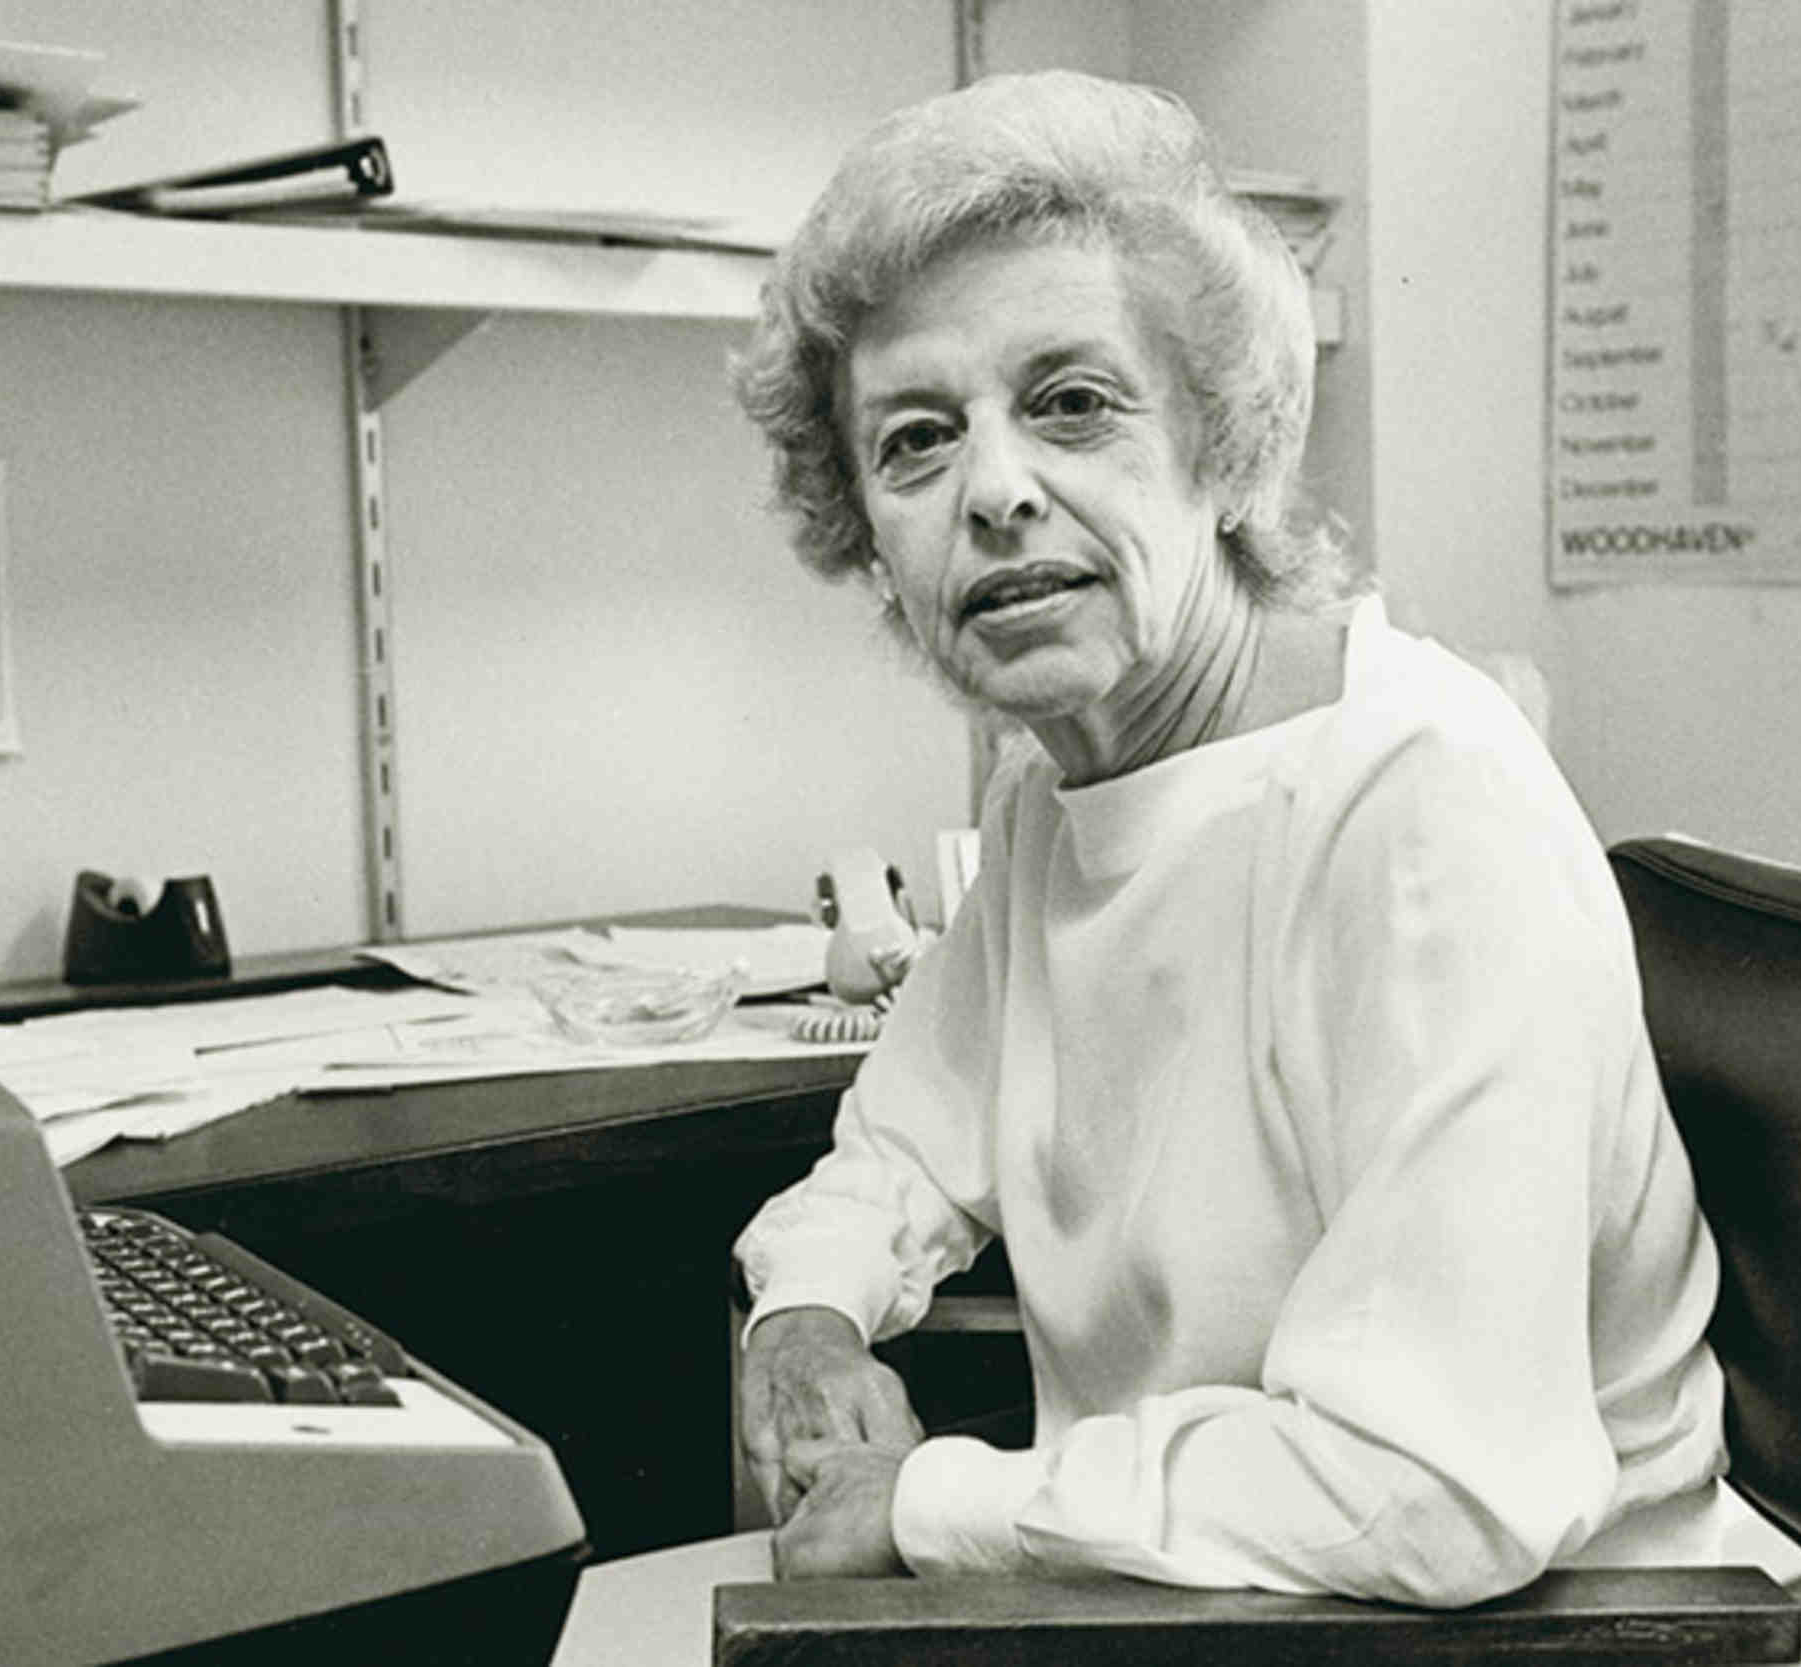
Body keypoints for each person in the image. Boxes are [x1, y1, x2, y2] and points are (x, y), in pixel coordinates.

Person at [727, 68, 1729, 1608]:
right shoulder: (1061, 785)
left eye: (1072, 403)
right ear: (866, 534)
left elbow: (1437, 1487)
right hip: (1191, 1592)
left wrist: (937, 1498)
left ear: (1229, 448)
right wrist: (805, 1315)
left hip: (1519, 1634)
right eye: (916, 442)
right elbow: (906, 1144)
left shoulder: (1417, 807)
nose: (994, 491)